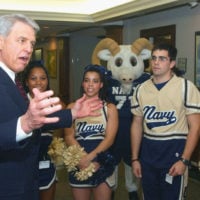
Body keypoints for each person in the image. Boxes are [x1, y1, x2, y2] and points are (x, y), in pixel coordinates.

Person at [0, 14, 102, 200]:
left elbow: (36, 120)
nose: (29, 49)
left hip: (25, 181)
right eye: (21, 40)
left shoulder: (12, 79)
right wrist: (25, 124)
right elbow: (26, 123)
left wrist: (71, 113)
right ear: (0, 41)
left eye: (31, 43)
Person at [130, 43, 200, 200]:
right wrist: (135, 158)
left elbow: (195, 127)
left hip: (174, 156)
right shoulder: (140, 89)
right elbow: (136, 124)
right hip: (148, 157)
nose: (156, 62)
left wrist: (185, 160)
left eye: (162, 59)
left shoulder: (186, 87)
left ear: (172, 63)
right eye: (153, 58)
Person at [64, 64, 118, 200]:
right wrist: (82, 159)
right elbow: (69, 136)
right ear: (82, 83)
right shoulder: (71, 107)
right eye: (87, 80)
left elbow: (109, 139)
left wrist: (90, 158)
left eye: (95, 81)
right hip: (79, 163)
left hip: (102, 164)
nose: (90, 84)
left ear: (101, 85)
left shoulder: (110, 109)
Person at [23, 60, 64, 200]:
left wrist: (56, 148)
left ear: (47, 81)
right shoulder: (20, 103)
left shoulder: (55, 104)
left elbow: (61, 131)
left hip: (47, 165)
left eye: (43, 78)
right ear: (27, 82)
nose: (38, 82)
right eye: (33, 78)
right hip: (24, 166)